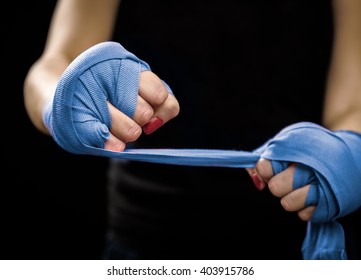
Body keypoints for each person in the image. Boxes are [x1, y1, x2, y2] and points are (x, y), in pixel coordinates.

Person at [23, 0, 361, 260]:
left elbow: (352, 105)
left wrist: (349, 149)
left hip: (293, 235)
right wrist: (60, 102)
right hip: (142, 242)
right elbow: (53, 62)